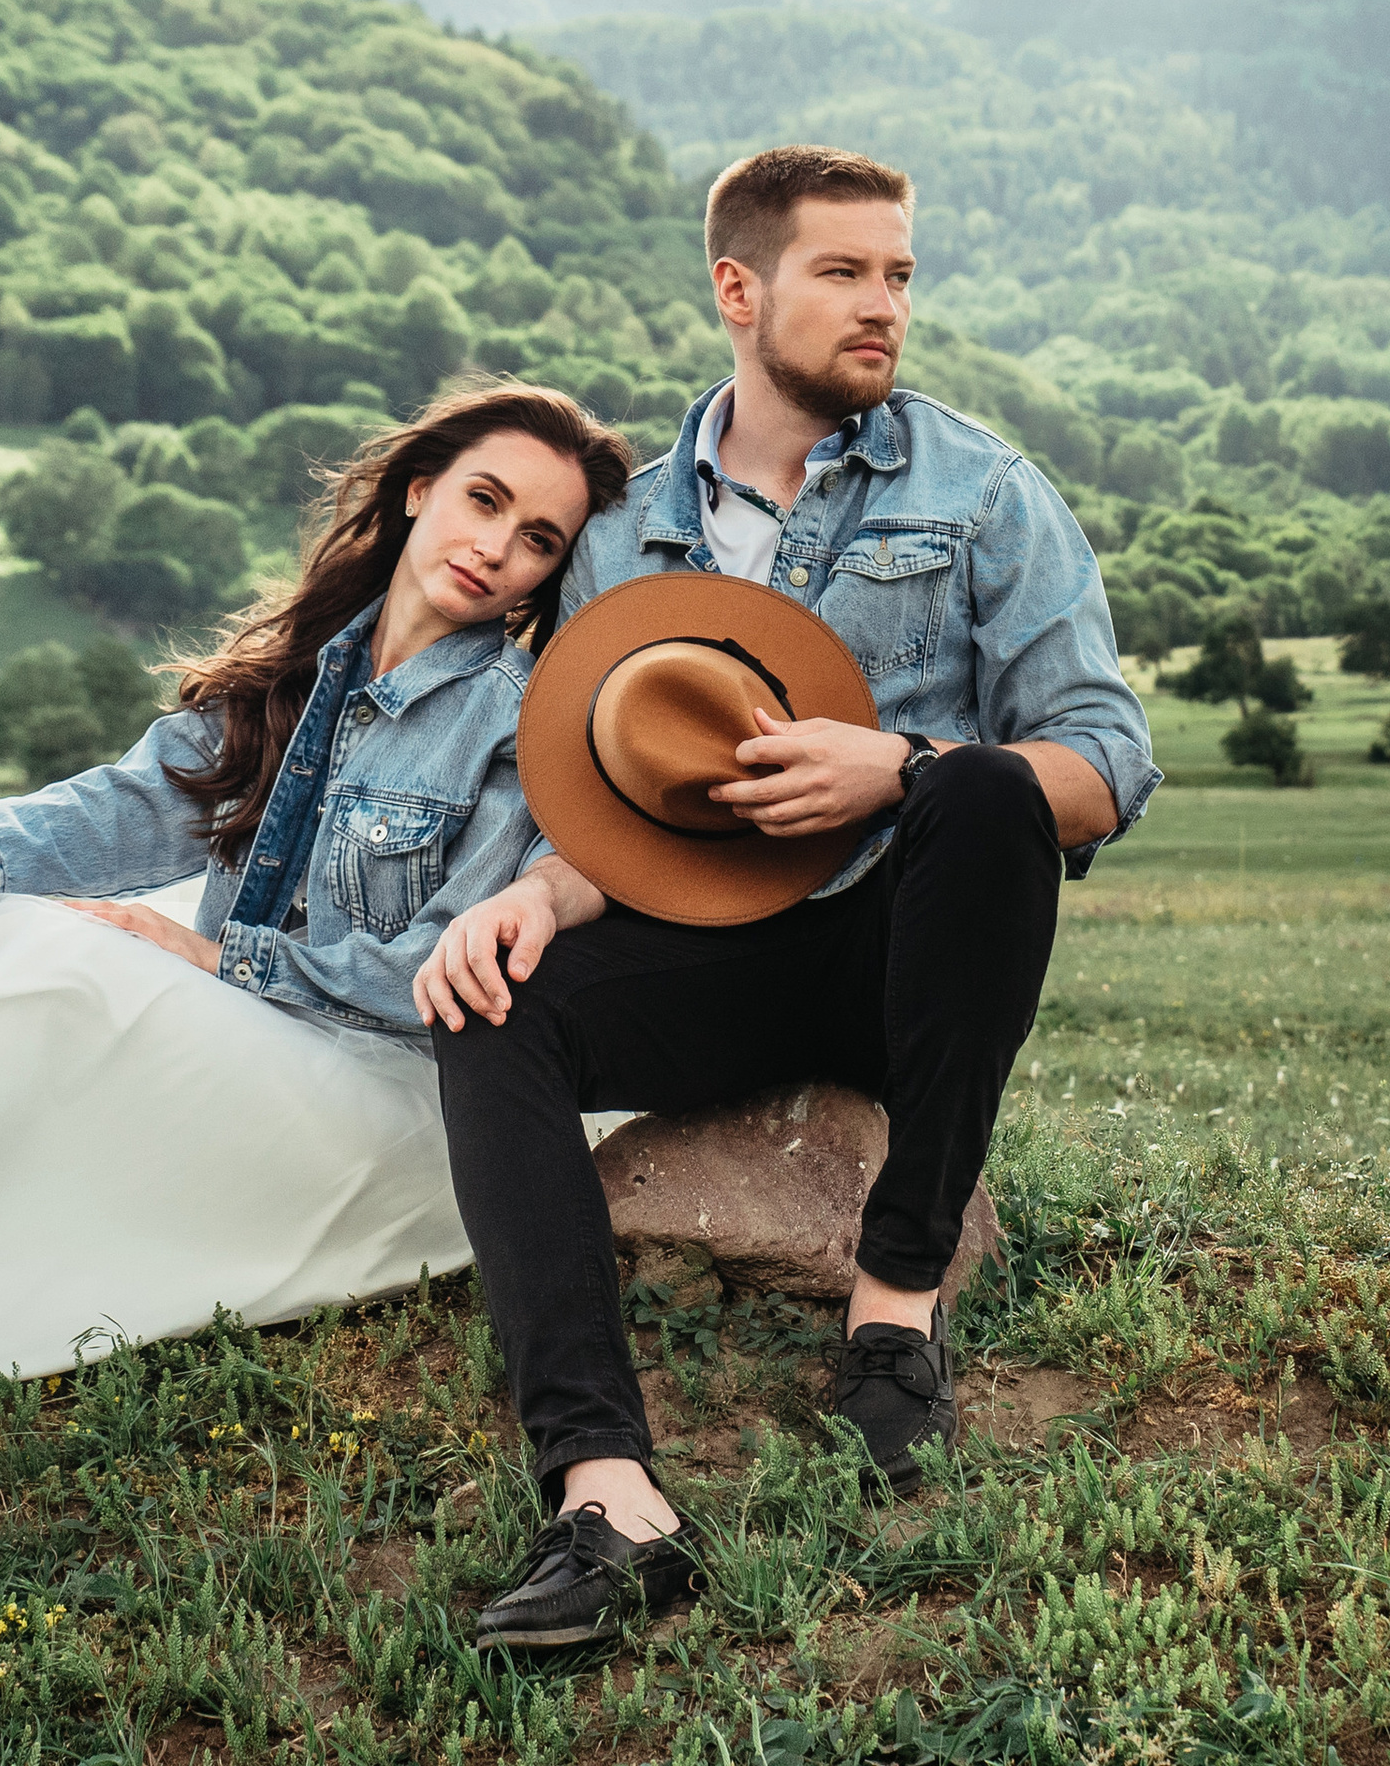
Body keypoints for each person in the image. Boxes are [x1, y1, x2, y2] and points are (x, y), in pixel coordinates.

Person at [414, 147, 1160, 1653]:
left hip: (910, 952)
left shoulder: (982, 489)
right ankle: (610, 1501)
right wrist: (538, 901)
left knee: (980, 788)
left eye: (899, 275)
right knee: (491, 1010)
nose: (884, 306)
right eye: (845, 273)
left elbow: (1108, 764)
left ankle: (895, 1305)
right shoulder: (616, 534)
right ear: (739, 290)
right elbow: (596, 782)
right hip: (706, 953)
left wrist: (895, 765)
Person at [0, 381, 629, 1467]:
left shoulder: (521, 723)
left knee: (61, 974)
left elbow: (436, 973)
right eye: (483, 499)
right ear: (415, 490)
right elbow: (133, 799)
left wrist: (222, 958)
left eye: (538, 536)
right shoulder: (307, 670)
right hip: (252, 1037)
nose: (497, 547)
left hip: (386, 1089)